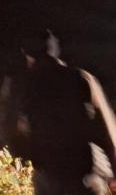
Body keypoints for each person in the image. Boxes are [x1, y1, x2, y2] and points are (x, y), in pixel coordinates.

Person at [17, 30, 116, 195]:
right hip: (85, 174)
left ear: (27, 55)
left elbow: (8, 126)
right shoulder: (79, 78)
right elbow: (107, 128)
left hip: (47, 176)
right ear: (54, 48)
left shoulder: (26, 87)